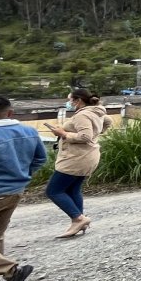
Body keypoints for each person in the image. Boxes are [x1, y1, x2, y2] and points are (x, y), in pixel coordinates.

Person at [0, 96, 46, 281]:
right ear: (10, 112)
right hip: (16, 190)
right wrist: (24, 175)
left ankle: (11, 270)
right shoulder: (29, 131)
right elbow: (41, 158)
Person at [45, 88, 113, 238]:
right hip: (87, 156)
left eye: (70, 100)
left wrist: (63, 134)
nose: (69, 103)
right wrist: (98, 133)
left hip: (76, 158)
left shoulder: (82, 115)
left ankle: (79, 219)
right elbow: (108, 121)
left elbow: (85, 136)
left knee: (53, 191)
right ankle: (79, 222)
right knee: (73, 190)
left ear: (78, 100)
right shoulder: (97, 112)